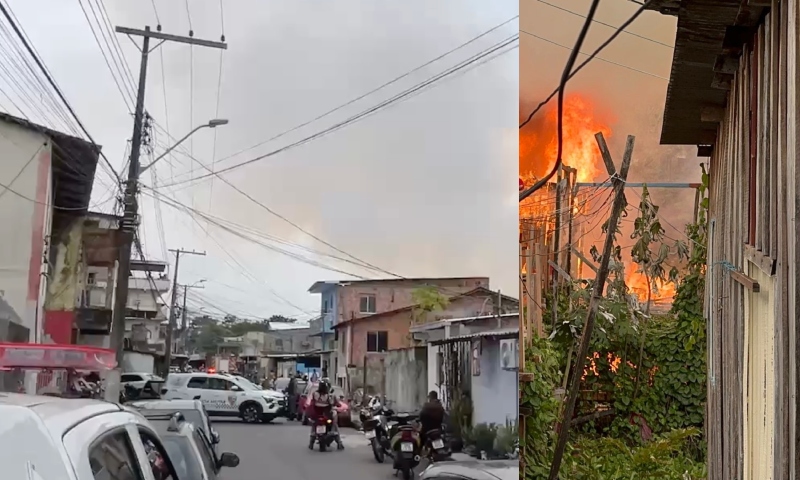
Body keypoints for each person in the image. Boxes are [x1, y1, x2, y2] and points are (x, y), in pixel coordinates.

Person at [308, 379, 344, 450]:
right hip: (326, 416)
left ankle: (311, 443)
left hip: (319, 416)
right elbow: (337, 404)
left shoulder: (315, 394)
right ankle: (339, 443)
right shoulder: (330, 396)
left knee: (314, 425)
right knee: (334, 424)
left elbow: (312, 403)